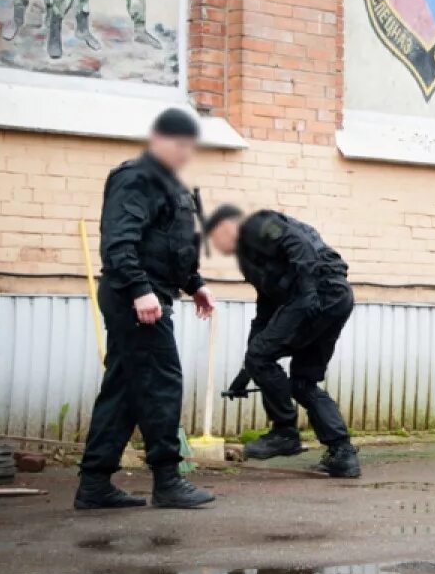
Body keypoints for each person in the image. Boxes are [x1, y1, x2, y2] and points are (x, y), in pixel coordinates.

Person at [75, 108, 217, 510]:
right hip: (133, 296)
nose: (185, 153)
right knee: (160, 383)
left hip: (148, 292)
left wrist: (195, 283)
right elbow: (119, 241)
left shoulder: (168, 185)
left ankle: (94, 485)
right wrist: (140, 290)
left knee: (124, 390)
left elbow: (170, 245)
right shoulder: (135, 177)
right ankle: (168, 480)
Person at [205, 206, 360, 478]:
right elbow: (265, 311)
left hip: (319, 293)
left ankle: (285, 432)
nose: (216, 245)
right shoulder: (250, 259)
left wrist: (310, 292)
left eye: (215, 236)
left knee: (262, 357)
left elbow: (297, 243)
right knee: (302, 382)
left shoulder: (258, 225)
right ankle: (342, 453)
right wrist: (247, 370)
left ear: (227, 226)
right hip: (333, 299)